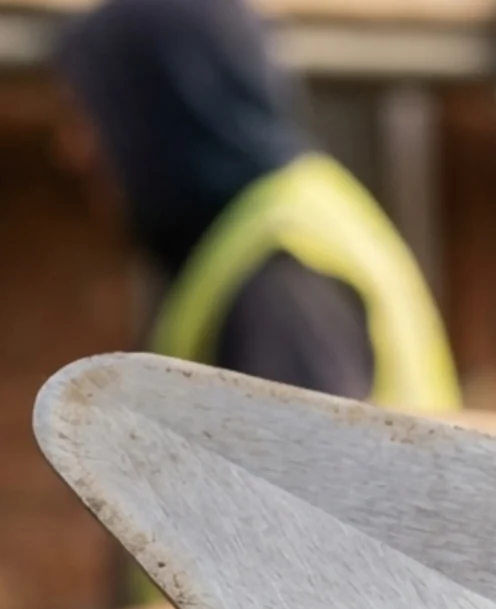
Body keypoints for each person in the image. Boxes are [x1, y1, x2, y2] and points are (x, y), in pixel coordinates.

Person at [52, 0, 458, 411]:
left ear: (160, 113)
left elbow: (303, 470)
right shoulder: (268, 235)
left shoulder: (279, 275)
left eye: (91, 116)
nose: (72, 150)